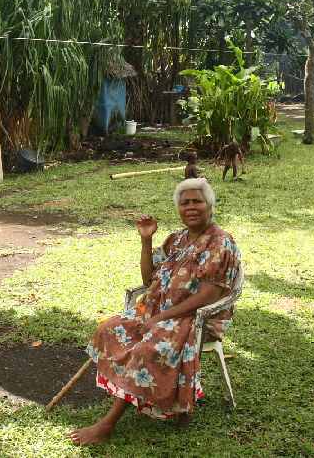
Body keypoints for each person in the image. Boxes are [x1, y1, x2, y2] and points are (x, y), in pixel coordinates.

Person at [69, 178, 240, 446]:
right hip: (158, 310)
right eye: (185, 203)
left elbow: (208, 295)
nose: (191, 207)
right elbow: (149, 279)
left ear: (210, 205)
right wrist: (146, 240)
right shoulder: (178, 239)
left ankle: (107, 424)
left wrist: (162, 317)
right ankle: (128, 390)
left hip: (194, 318)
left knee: (147, 349)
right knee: (109, 329)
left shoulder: (220, 242)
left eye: (197, 201)